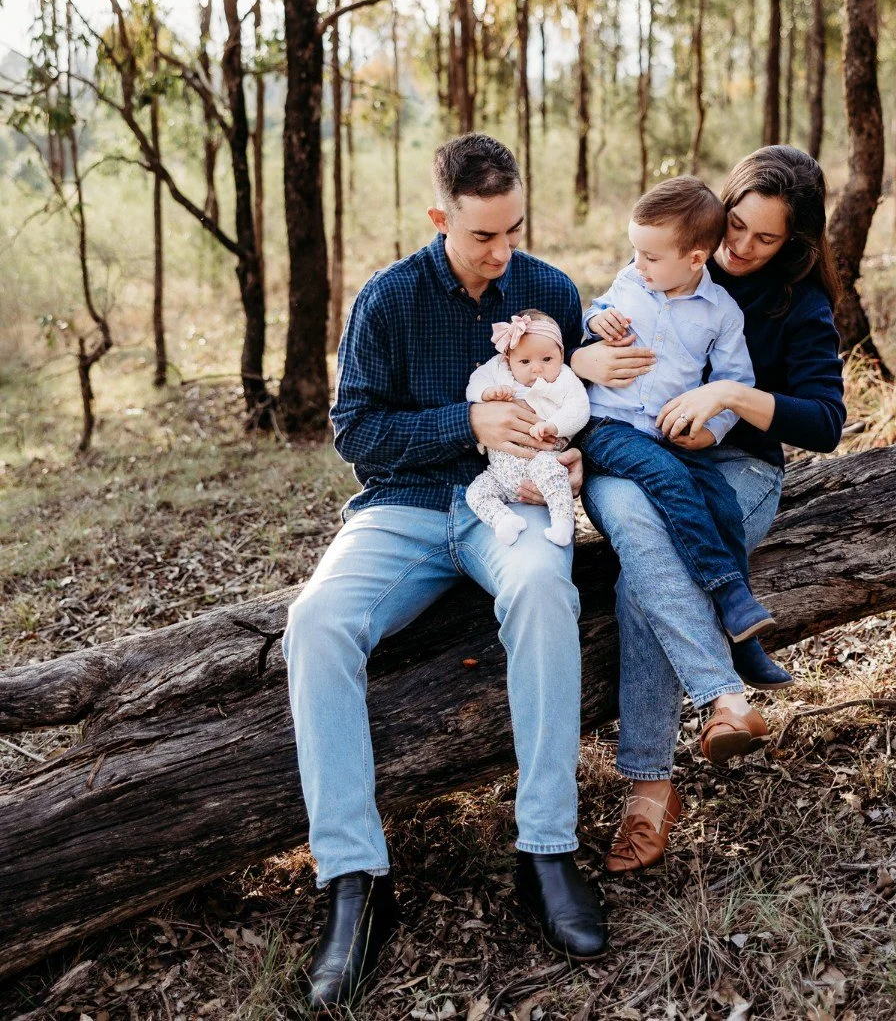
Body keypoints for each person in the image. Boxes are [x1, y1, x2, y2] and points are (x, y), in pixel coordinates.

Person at [284, 135, 606, 1015]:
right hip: (410, 509)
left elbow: (585, 410)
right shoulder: (387, 300)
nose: (501, 252)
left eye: (512, 230)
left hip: (521, 504)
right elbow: (355, 434)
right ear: (440, 219)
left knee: (545, 589)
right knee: (314, 624)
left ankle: (545, 852)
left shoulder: (550, 293)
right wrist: (466, 424)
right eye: (481, 236)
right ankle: (355, 883)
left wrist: (578, 461)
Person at [570, 145, 846, 875]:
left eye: (766, 237)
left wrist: (726, 401)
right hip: (628, 448)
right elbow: (591, 323)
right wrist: (580, 361)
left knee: (644, 580)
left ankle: (649, 792)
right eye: (737, 227)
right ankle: (722, 695)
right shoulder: (667, 259)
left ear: (796, 241)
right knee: (639, 535)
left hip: (737, 468)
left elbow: (824, 421)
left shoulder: (801, 305)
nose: (742, 247)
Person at [578, 176, 777, 646]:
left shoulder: (722, 312)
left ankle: (741, 632)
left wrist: (712, 432)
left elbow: (737, 383)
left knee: (722, 501)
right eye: (636, 251)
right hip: (608, 425)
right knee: (670, 481)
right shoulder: (631, 281)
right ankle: (727, 592)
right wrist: (594, 319)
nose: (638, 263)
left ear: (694, 258)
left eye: (650, 256)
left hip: (668, 432)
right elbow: (598, 309)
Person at [465, 309, 591, 547]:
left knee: (553, 476)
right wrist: (486, 393)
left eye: (547, 359)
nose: (537, 368)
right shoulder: (499, 370)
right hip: (499, 471)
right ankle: (503, 520)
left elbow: (579, 409)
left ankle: (563, 523)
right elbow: (476, 383)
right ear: (508, 359)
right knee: (476, 492)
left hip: (541, 458)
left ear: (561, 354)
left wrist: (554, 424)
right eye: (525, 361)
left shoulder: (564, 379)